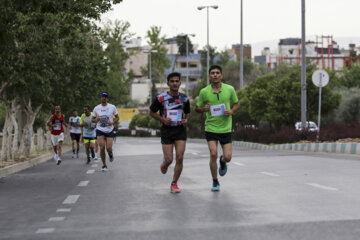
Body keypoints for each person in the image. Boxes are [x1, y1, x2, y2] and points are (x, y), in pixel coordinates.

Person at [195, 65, 240, 192]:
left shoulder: (229, 89)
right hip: (211, 127)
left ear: (221, 76)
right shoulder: (204, 92)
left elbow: (237, 103)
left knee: (228, 157)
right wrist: (203, 109)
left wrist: (231, 111)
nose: (215, 75)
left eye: (217, 73)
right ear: (209, 76)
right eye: (212, 73)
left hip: (226, 128)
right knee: (213, 153)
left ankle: (222, 161)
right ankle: (215, 181)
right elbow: (197, 108)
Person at [149, 72, 190, 193]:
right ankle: (165, 163)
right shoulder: (161, 98)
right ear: (168, 83)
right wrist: (162, 119)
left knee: (180, 157)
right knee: (170, 159)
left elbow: (188, 112)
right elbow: (151, 112)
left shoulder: (184, 98)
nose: (175, 83)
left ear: (180, 83)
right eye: (172, 81)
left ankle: (174, 183)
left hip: (180, 130)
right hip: (166, 130)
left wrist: (186, 120)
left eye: (177, 81)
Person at [92, 92, 119, 171]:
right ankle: (104, 165)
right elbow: (92, 119)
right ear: (100, 98)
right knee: (102, 147)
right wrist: (95, 119)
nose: (104, 98)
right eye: (102, 97)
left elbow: (117, 117)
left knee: (109, 148)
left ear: (107, 98)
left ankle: (110, 155)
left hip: (109, 130)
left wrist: (113, 122)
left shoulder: (112, 107)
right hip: (100, 129)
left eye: (105, 97)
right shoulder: (96, 108)